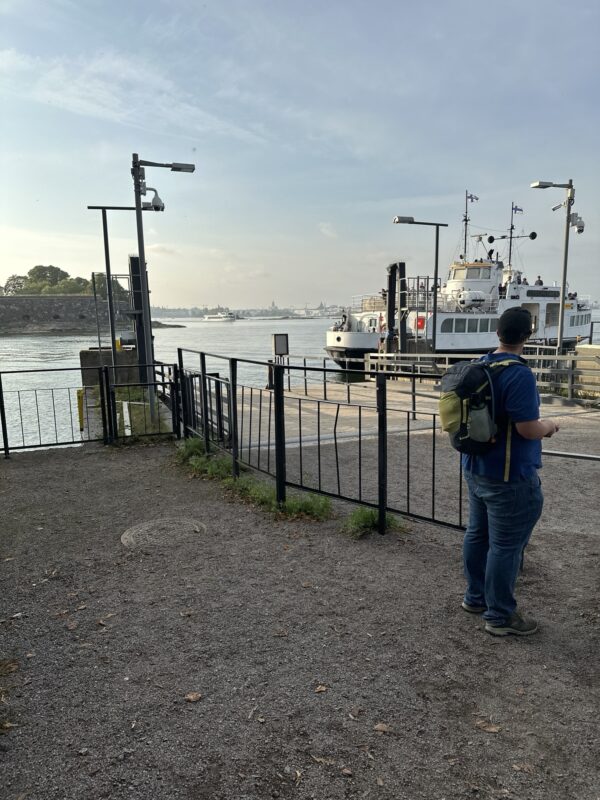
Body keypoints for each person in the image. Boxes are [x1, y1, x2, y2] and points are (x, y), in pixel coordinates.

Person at [461, 307, 559, 636]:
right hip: (509, 475)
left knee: (478, 535)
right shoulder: (518, 374)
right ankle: (500, 616)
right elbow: (527, 429)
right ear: (527, 336)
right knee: (506, 546)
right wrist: (551, 425)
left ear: (498, 332)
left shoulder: (481, 364)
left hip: (476, 469)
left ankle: (475, 598)